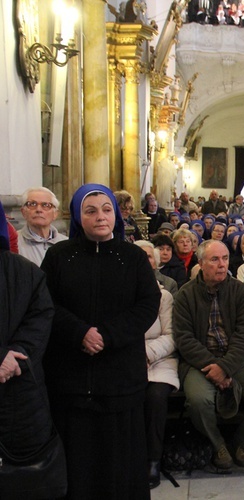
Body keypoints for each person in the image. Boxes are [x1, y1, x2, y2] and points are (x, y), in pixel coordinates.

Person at [41, 184, 161, 498]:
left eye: (107, 209)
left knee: (121, 461)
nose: (100, 217)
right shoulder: (58, 257)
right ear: (79, 216)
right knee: (77, 462)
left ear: (116, 215)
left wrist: (107, 335)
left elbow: (147, 305)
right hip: (72, 374)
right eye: (90, 210)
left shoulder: (133, 257)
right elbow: (46, 304)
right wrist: (79, 332)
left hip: (120, 374)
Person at [173, 240, 244, 469]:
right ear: (200, 263)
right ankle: (217, 444)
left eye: (225, 259)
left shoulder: (240, 291)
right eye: (214, 259)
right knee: (199, 400)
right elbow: (184, 338)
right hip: (200, 362)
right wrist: (213, 366)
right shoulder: (185, 295)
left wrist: (226, 366)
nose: (222, 265)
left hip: (238, 358)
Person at [0, 200, 59, 496]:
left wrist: (15, 356)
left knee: (22, 475)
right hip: (9, 368)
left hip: (19, 385)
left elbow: (41, 315)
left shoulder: (24, 271)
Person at [135, 242, 179, 488]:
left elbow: (172, 335)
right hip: (127, 359)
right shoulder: (120, 293)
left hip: (160, 359)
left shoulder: (164, 296)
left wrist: (146, 354)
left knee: (154, 397)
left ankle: (153, 459)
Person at [17, 186, 68, 266]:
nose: (38, 210)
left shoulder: (66, 243)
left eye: (46, 205)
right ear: (23, 212)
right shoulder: (13, 243)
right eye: (32, 204)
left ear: (55, 214)